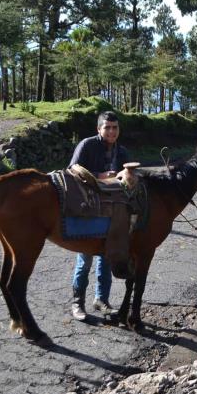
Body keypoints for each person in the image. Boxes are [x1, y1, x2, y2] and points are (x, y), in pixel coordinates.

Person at [69, 111, 130, 321]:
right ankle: (77, 304)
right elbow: (72, 171)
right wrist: (100, 176)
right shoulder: (87, 145)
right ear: (99, 129)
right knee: (84, 258)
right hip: (88, 209)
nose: (112, 131)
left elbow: (129, 176)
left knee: (107, 256)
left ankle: (101, 301)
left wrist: (127, 176)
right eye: (107, 127)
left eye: (115, 127)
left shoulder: (121, 151)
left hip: (112, 212)